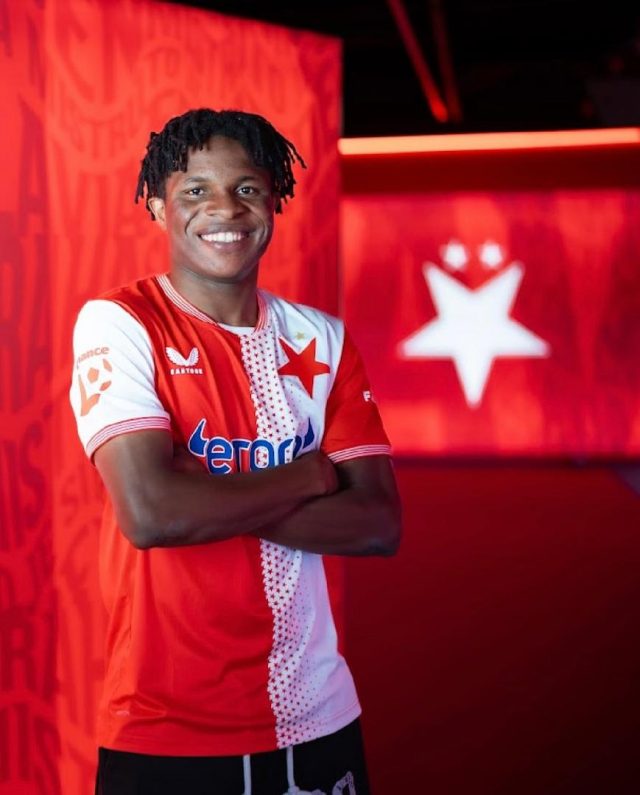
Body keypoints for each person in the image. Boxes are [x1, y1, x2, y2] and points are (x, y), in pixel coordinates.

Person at [69, 108, 401, 795]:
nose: (225, 208)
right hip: (167, 725)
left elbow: (377, 524)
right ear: (157, 205)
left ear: (274, 200)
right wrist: (308, 475)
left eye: (247, 188)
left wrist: (208, 494)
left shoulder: (322, 338)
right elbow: (154, 515)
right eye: (196, 190)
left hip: (320, 712)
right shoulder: (121, 323)